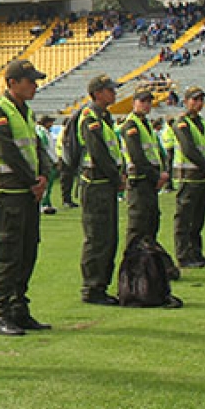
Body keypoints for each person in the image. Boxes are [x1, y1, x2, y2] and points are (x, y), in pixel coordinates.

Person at [0, 59, 52, 336]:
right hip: (9, 194)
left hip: (27, 194)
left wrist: (43, 176)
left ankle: (19, 309)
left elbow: (35, 149)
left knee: (27, 253)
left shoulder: (26, 113)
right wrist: (33, 180)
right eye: (30, 81)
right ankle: (2, 313)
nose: (35, 85)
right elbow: (8, 151)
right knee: (8, 256)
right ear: (12, 83)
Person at [79, 75, 126, 305]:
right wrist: (117, 177)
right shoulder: (91, 118)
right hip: (95, 185)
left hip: (105, 185)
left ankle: (102, 284)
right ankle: (92, 287)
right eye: (110, 90)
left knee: (108, 237)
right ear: (97, 93)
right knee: (97, 237)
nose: (114, 94)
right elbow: (98, 153)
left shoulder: (106, 118)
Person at [172, 87, 205, 268]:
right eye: (194, 100)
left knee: (198, 219)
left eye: (201, 100)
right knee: (184, 219)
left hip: (201, 177)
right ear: (186, 101)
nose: (198, 103)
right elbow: (189, 149)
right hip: (188, 177)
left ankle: (196, 252)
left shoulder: (201, 123)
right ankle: (184, 255)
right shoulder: (182, 123)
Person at [122, 90, 168, 246]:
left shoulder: (146, 124)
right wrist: (157, 176)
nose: (146, 105)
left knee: (151, 223)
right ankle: (133, 266)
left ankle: (147, 264)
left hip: (149, 181)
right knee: (138, 225)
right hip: (139, 181)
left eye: (148, 102)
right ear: (134, 102)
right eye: (142, 101)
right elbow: (137, 157)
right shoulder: (131, 125)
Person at [58, 109, 83, 208]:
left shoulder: (64, 133)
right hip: (64, 159)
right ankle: (66, 200)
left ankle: (68, 199)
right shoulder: (65, 134)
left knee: (68, 181)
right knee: (66, 181)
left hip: (65, 158)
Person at [36, 115, 59, 215]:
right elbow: (46, 149)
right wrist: (54, 160)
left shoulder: (46, 132)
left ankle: (47, 203)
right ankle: (43, 204)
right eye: (51, 122)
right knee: (46, 183)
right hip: (48, 160)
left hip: (50, 160)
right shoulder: (42, 132)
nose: (52, 124)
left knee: (49, 184)